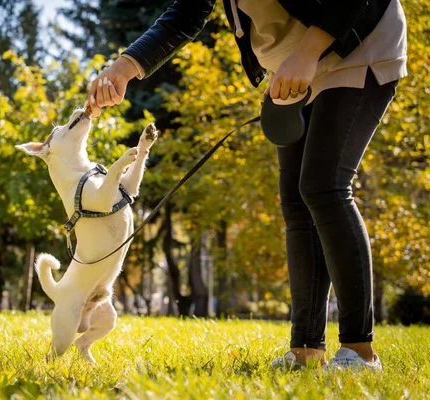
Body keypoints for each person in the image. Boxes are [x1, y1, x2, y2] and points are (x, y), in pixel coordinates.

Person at [87, 0, 407, 370]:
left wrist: (307, 52)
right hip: (291, 68)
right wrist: (125, 67)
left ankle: (360, 352)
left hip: (354, 41)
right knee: (296, 200)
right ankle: (306, 350)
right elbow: (187, 14)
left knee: (324, 185)